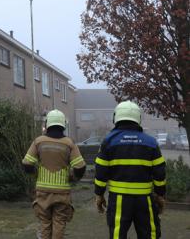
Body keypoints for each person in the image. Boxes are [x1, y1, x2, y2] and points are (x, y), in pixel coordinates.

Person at [94, 101, 166, 239]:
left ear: (116, 118)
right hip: (145, 200)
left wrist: (99, 194)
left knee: (117, 235)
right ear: (138, 118)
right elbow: (160, 173)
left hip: (118, 200)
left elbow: (101, 172)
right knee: (149, 235)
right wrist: (160, 195)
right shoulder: (151, 142)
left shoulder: (108, 141)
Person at [22, 109, 86, 239]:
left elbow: (27, 163)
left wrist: (36, 174)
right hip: (62, 192)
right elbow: (80, 167)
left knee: (45, 222)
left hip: (43, 192)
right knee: (59, 222)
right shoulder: (69, 143)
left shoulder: (39, 141)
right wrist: (73, 178)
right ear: (63, 124)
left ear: (47, 123)